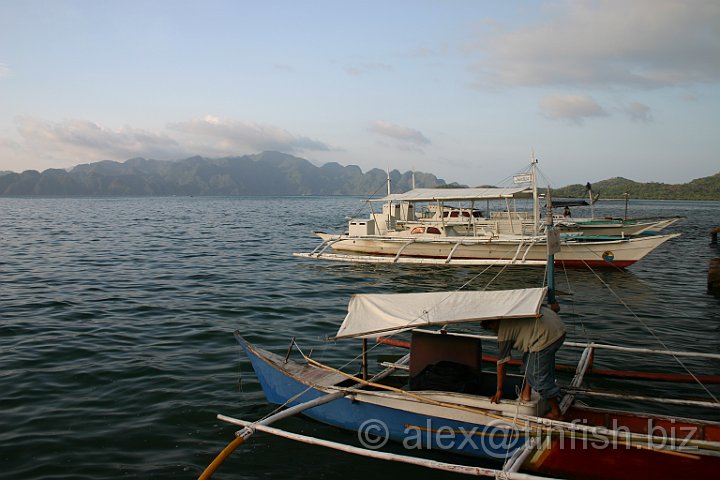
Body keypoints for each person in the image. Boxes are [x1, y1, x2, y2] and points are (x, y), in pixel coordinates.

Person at [482, 303, 566, 419]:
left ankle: (556, 413)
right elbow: (556, 307)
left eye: (492, 329)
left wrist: (499, 390)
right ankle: (526, 393)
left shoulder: (503, 331)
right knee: (528, 361)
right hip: (559, 328)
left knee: (538, 377)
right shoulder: (517, 308)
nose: (494, 332)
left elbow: (501, 363)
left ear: (494, 323)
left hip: (546, 336)